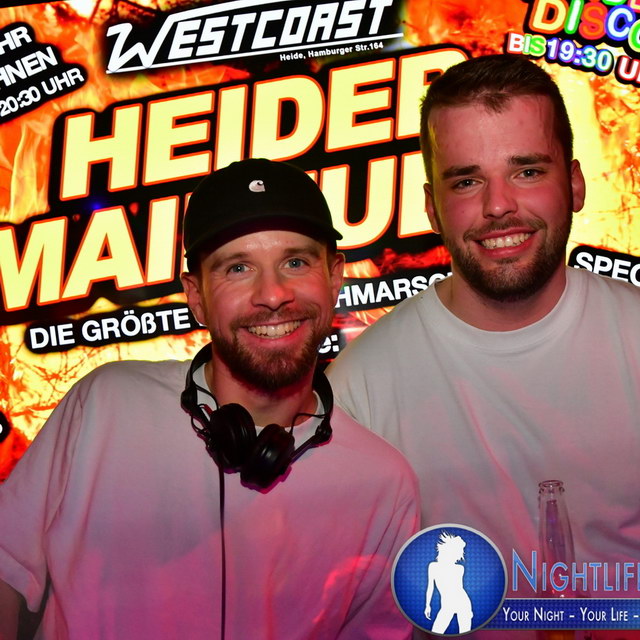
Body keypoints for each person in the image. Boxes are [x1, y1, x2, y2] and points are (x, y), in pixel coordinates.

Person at [0, 158, 420, 640]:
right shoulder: (105, 404)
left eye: (296, 262)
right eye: (238, 268)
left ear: (334, 276)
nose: (273, 295)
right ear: (196, 296)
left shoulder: (384, 482)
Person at [327, 54, 640, 636]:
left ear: (574, 184)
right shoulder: (358, 391)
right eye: (467, 181)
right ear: (431, 207)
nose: (498, 206)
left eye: (527, 171)